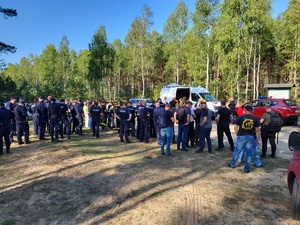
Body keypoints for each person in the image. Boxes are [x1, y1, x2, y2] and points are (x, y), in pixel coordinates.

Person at [228, 105, 261, 173]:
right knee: (249, 153)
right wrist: (258, 140)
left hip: (241, 136)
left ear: (245, 110)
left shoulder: (240, 117)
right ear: (251, 110)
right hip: (251, 137)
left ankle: (232, 164)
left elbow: (235, 126)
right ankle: (246, 169)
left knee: (237, 151)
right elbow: (257, 130)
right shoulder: (255, 119)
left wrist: (237, 133)